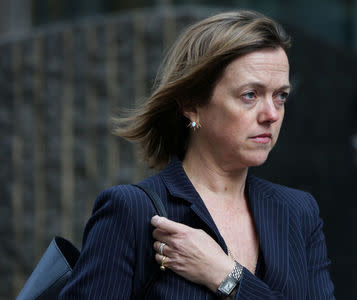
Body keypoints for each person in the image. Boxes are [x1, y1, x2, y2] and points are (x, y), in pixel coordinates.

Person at [59, 10, 335, 299]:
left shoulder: (298, 212)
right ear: (191, 104)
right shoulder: (133, 212)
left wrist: (227, 276)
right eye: (250, 95)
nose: (271, 114)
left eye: (280, 96)